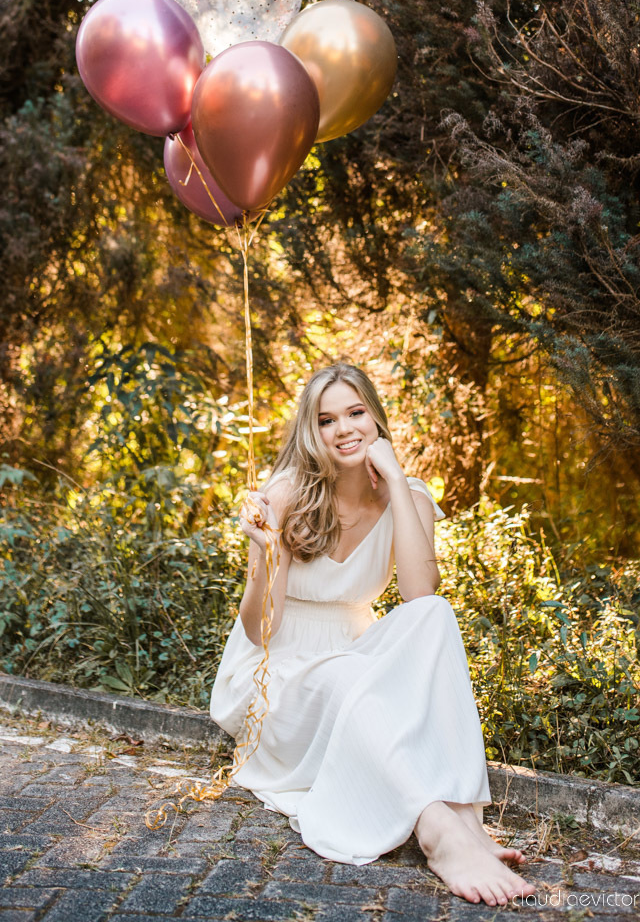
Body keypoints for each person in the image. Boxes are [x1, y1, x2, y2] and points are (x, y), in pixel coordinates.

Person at [209, 363, 536, 906]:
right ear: (310, 432)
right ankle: (438, 832)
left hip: (351, 655)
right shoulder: (285, 493)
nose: (344, 429)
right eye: (326, 419)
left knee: (436, 617)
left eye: (355, 412)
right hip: (275, 674)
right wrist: (265, 554)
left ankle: (462, 812)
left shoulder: (410, 498)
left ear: (375, 416)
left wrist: (398, 481)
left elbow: (418, 595)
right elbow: (261, 630)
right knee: (347, 679)